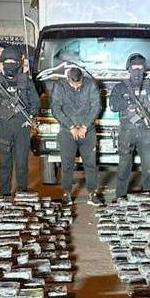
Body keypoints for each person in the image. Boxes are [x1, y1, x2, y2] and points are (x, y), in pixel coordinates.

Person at [0, 45, 40, 198]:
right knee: (4, 163)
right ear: (2, 62)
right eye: (7, 62)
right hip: (3, 126)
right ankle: (5, 193)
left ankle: (22, 191)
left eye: (13, 62)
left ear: (19, 63)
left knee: (21, 163)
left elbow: (35, 102)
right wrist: (0, 100)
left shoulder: (26, 81)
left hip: (22, 126)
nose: (10, 65)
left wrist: (31, 116)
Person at [109, 54, 150, 200]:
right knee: (124, 165)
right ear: (129, 69)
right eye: (134, 67)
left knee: (148, 165)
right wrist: (128, 103)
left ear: (144, 69)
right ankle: (120, 196)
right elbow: (113, 105)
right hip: (127, 130)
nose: (137, 71)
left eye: (140, 67)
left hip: (146, 130)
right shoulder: (121, 87)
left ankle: (149, 195)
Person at [51, 66, 103, 206]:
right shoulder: (59, 86)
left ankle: (92, 194)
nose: (76, 86)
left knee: (90, 164)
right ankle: (66, 194)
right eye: (73, 84)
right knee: (67, 164)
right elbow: (56, 108)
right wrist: (71, 127)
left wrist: (85, 126)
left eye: (78, 84)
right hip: (67, 132)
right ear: (68, 79)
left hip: (88, 131)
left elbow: (96, 106)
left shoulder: (90, 85)